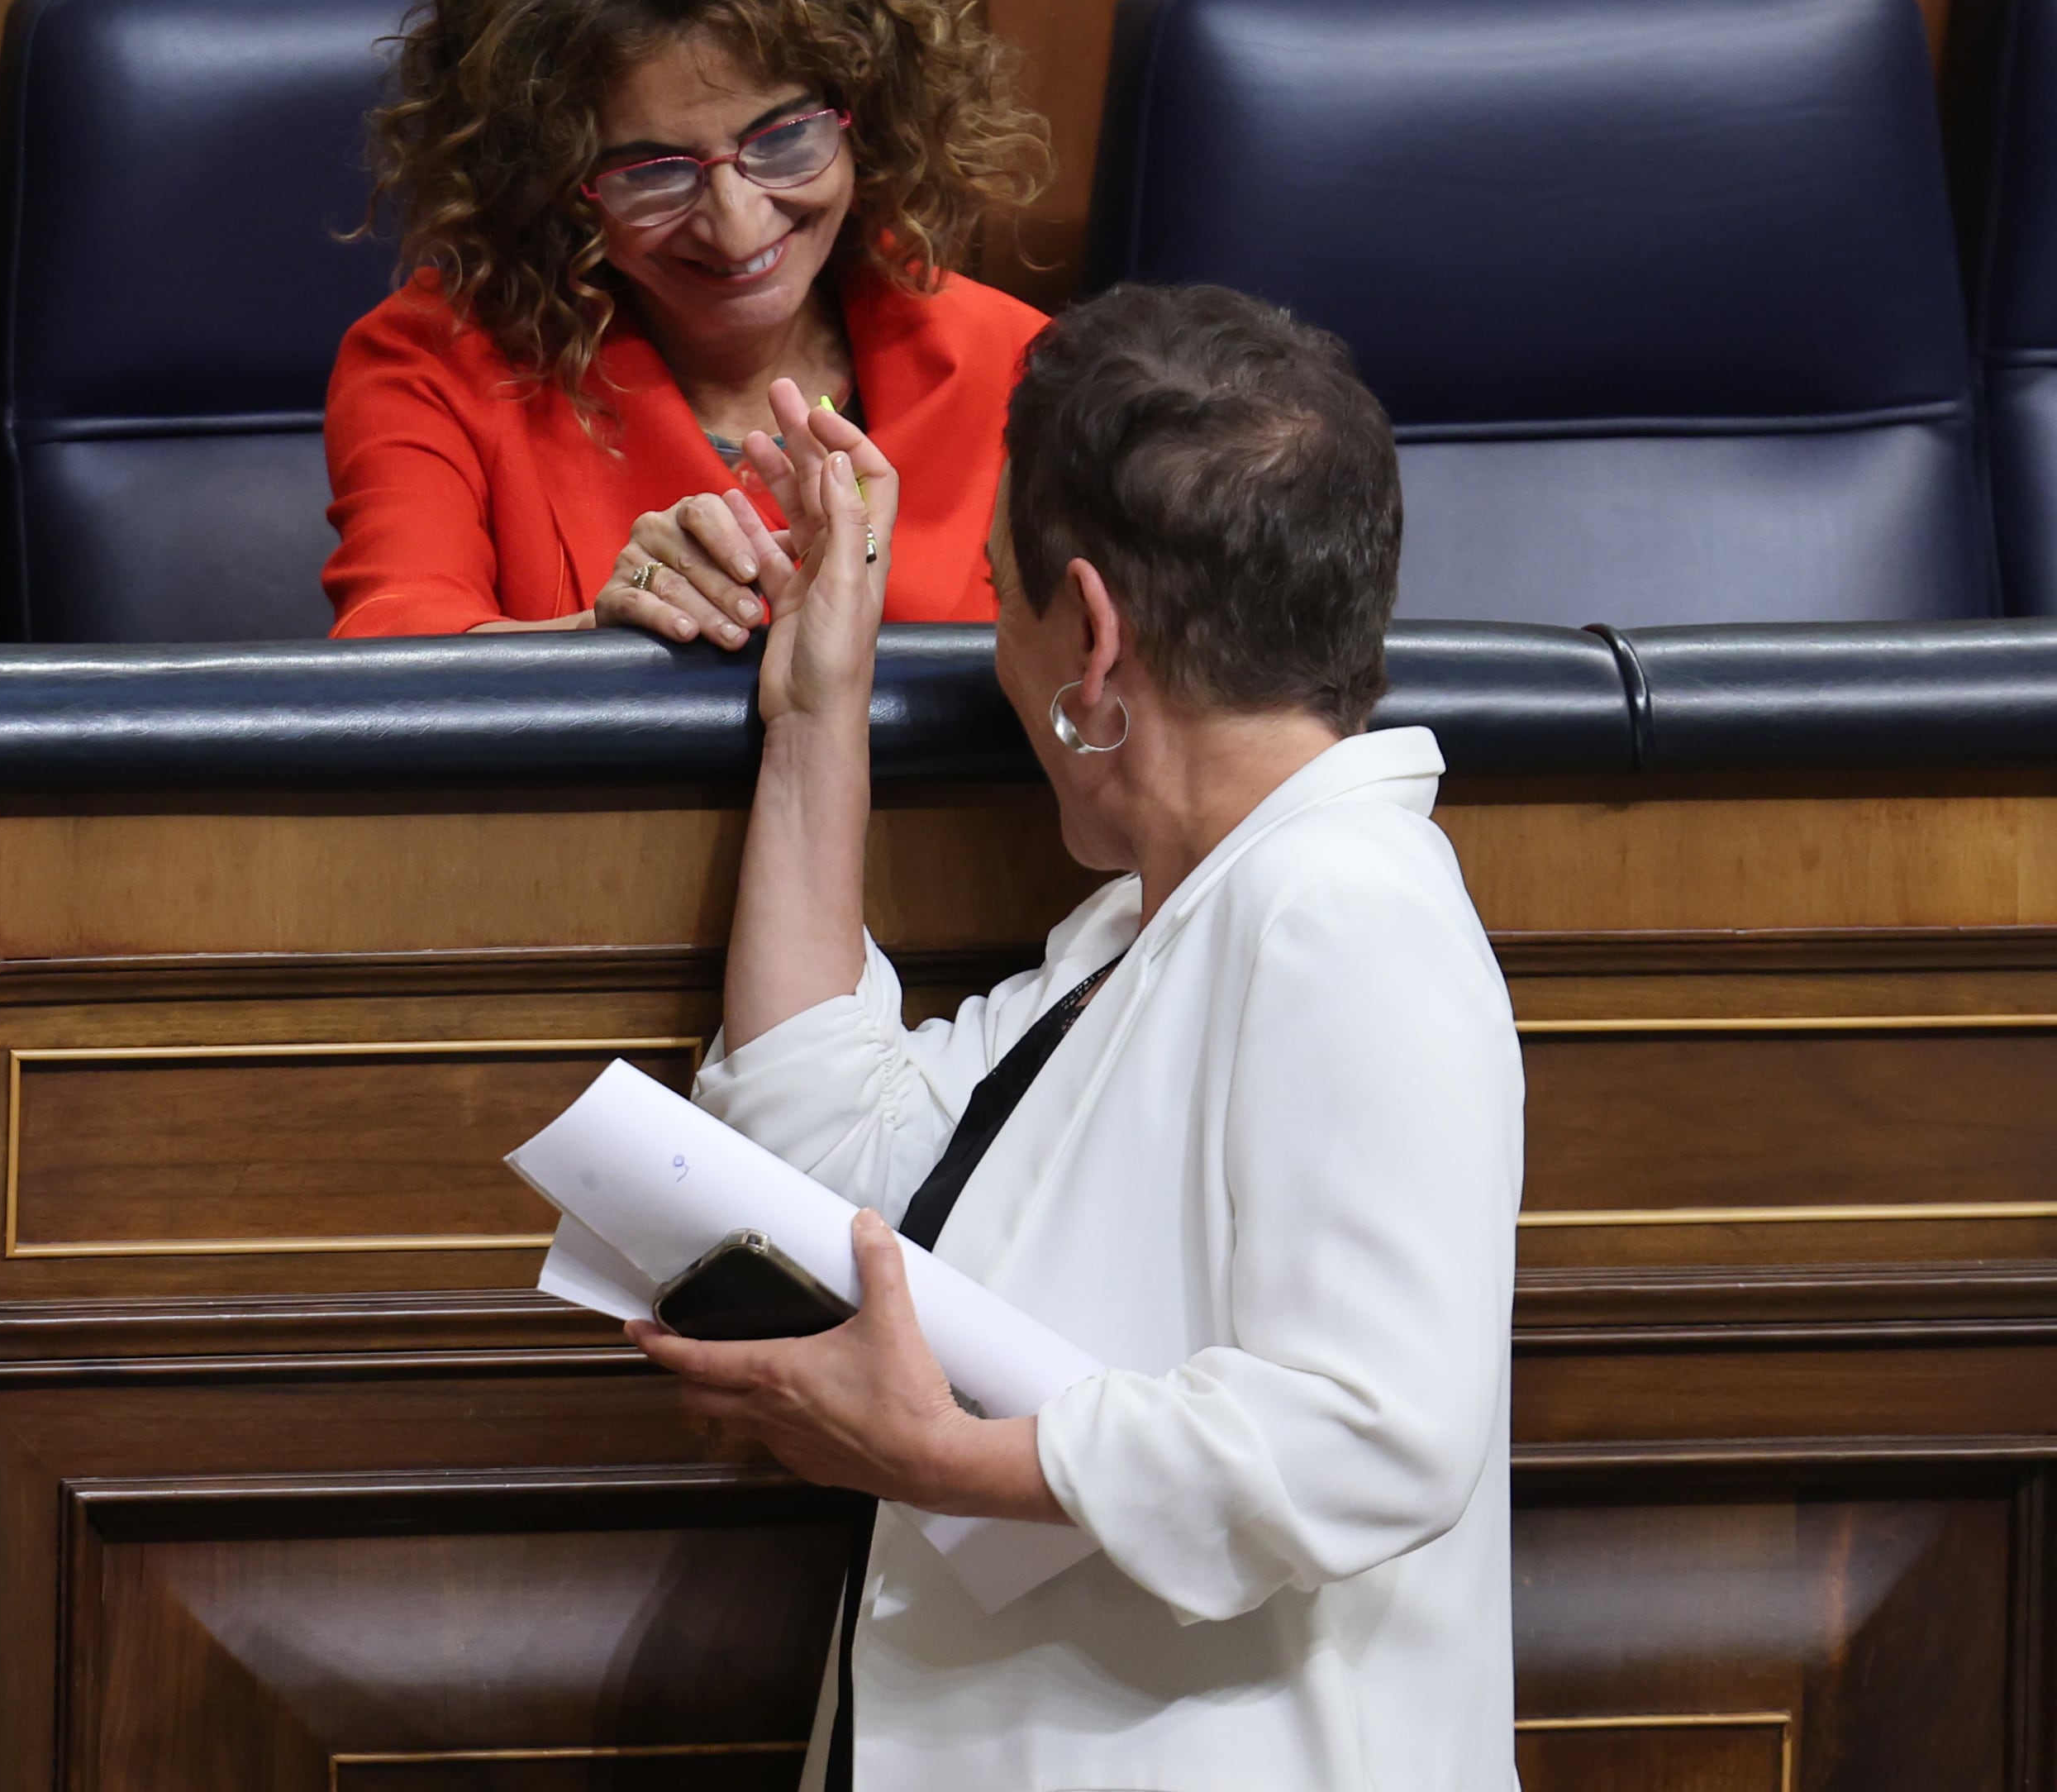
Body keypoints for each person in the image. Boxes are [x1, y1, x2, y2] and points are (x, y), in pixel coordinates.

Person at [635, 284, 1525, 1790]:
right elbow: (828, 1161)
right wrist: (815, 702)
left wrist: (941, 1460)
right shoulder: (1151, 928)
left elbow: (1376, 1431)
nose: (997, 649)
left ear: (1090, 637)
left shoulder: (1343, 911)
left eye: (996, 598)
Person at [321, 0, 1049, 643]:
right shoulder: (433, 368)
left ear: (869, 109)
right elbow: (388, 667)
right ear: (551, 178)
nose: (737, 226)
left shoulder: (1015, 368)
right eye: (654, 173)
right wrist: (605, 637)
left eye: (781, 139)